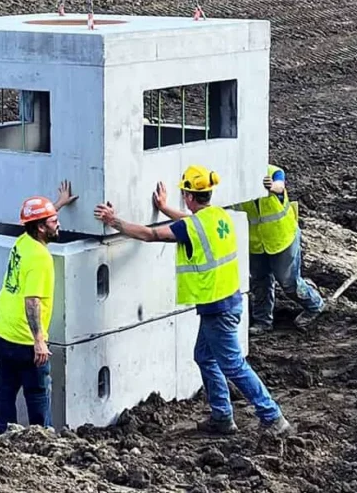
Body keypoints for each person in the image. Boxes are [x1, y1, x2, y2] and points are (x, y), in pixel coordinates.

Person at [94, 165, 292, 437]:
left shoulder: (193, 226)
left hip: (217, 308)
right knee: (204, 357)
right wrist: (164, 209)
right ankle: (222, 417)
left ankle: (272, 417)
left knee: (233, 365)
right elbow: (188, 223)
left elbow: (152, 235)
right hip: (227, 302)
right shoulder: (218, 216)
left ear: (188, 196)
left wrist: (114, 221)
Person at [0, 180, 77, 434]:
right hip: (23, 338)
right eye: (52, 221)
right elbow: (32, 301)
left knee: (6, 387)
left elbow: (35, 221)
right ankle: (42, 440)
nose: (58, 223)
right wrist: (39, 341)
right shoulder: (41, 258)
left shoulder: (23, 241)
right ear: (40, 228)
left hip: (0, 328)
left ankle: (3, 433)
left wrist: (57, 204)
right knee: (37, 392)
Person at [231, 164, 325, 334]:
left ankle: (314, 305)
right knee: (260, 282)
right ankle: (262, 321)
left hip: (282, 238)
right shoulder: (233, 180)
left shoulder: (272, 172)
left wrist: (272, 187)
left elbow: (279, 185)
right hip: (256, 243)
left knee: (288, 282)